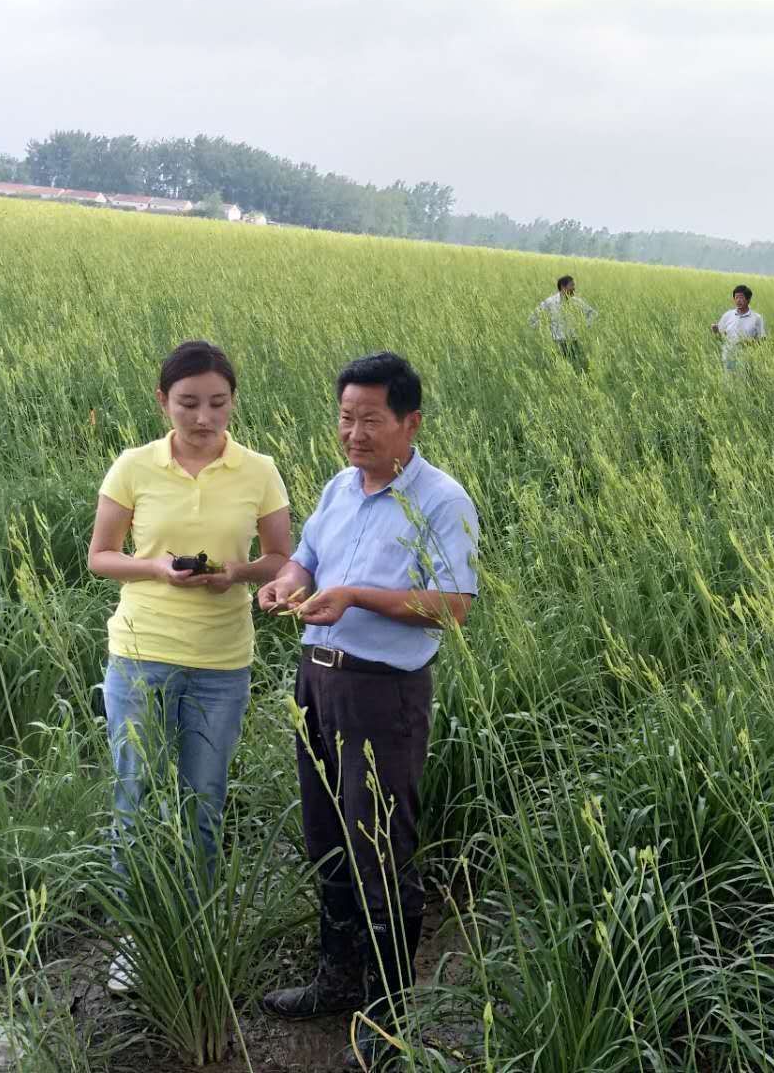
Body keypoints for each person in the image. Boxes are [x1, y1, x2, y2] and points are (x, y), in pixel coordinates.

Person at [257, 352, 479, 1068]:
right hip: (317, 682)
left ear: (410, 422)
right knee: (326, 837)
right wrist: (287, 581)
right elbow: (308, 559)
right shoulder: (339, 488)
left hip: (383, 694)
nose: (354, 433)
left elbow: (453, 606)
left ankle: (387, 1021)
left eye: (371, 420)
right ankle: (336, 979)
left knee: (380, 849)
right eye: (346, 418)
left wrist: (356, 596)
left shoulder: (443, 500)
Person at [87, 340, 292, 990]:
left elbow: (282, 558)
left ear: (232, 401)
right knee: (135, 798)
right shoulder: (133, 466)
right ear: (163, 402)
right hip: (141, 654)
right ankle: (134, 936)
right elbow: (100, 555)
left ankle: (195, 930)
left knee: (204, 801)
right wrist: (154, 567)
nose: (204, 418)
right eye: (188, 404)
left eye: (218, 403)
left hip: (221, 661)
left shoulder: (258, 469)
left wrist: (235, 571)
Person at [530, 275, 597, 370]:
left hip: (574, 343)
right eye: (572, 285)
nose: (574, 288)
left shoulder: (576, 302)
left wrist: (584, 326)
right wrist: (544, 328)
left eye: (574, 286)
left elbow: (593, 313)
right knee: (557, 371)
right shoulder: (550, 302)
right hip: (556, 344)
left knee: (575, 369)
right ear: (563, 287)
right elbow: (532, 319)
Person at [711, 284, 766, 371]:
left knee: (744, 383)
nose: (738, 300)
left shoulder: (757, 318)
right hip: (728, 358)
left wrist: (747, 342)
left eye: (741, 298)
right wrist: (716, 331)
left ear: (748, 300)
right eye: (736, 298)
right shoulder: (728, 315)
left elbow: (762, 340)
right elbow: (720, 338)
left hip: (747, 360)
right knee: (729, 382)